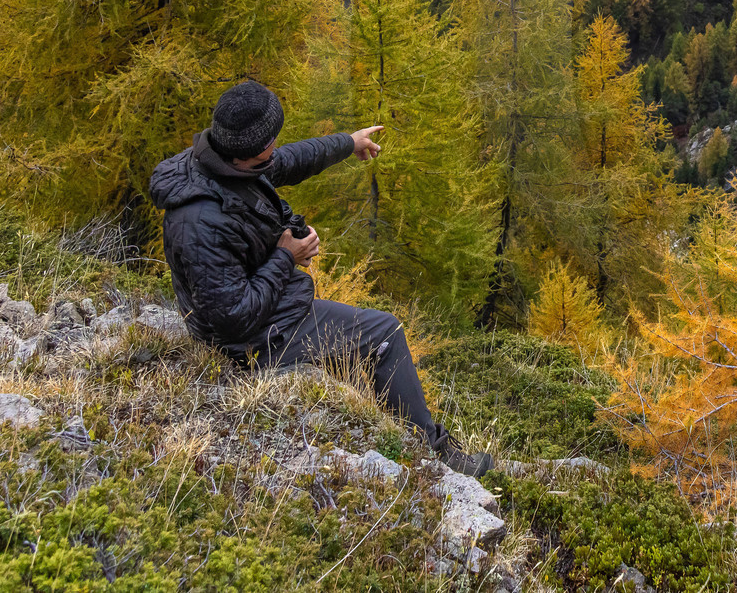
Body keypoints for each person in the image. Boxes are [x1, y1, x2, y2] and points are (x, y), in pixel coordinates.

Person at [149, 79, 491, 475]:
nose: (276, 147)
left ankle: (403, 428)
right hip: (247, 342)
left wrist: (349, 142)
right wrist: (285, 257)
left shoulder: (219, 163)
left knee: (358, 338)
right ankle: (435, 457)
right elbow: (231, 317)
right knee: (384, 333)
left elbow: (291, 160)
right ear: (248, 151)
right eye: (270, 143)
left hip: (266, 312)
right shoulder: (200, 222)